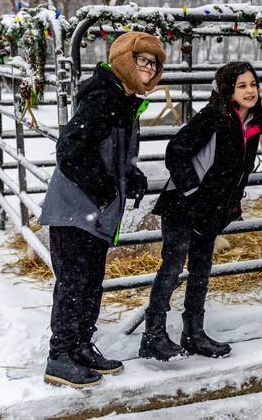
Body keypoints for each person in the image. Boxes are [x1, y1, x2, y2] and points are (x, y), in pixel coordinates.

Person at [39, 31, 165, 388]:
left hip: (92, 211)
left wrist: (130, 175)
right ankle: (59, 355)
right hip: (76, 209)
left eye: (154, 63)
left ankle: (79, 346)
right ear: (125, 60)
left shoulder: (123, 100)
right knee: (74, 282)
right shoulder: (102, 98)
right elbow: (70, 150)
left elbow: (109, 151)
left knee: (90, 282)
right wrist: (105, 188)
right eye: (142, 60)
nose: (149, 68)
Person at [140, 61, 262, 361]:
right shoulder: (212, 117)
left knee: (200, 271)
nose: (250, 91)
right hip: (183, 206)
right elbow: (176, 150)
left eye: (253, 84)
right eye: (242, 86)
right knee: (171, 268)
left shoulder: (252, 124)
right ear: (227, 90)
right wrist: (193, 191)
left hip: (211, 212)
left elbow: (239, 172)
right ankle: (153, 334)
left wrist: (231, 205)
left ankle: (193, 332)